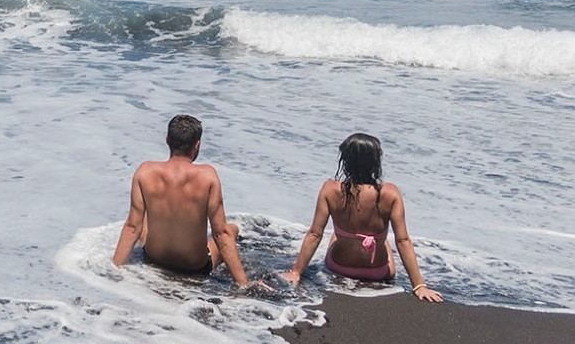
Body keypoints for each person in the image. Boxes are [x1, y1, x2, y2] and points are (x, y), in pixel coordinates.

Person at [284, 133, 443, 301]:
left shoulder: (330, 189)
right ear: (376, 162)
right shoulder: (390, 193)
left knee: (337, 233)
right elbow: (403, 241)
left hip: (339, 267)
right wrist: (419, 286)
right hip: (379, 272)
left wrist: (296, 272)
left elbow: (315, 234)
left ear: (345, 161)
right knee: (383, 239)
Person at [112, 114, 250, 285]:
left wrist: (114, 269)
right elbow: (220, 234)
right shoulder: (207, 176)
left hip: (154, 258)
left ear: (167, 139)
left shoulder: (145, 172)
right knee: (232, 230)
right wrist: (244, 284)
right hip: (193, 267)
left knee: (145, 218)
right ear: (197, 145)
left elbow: (133, 227)